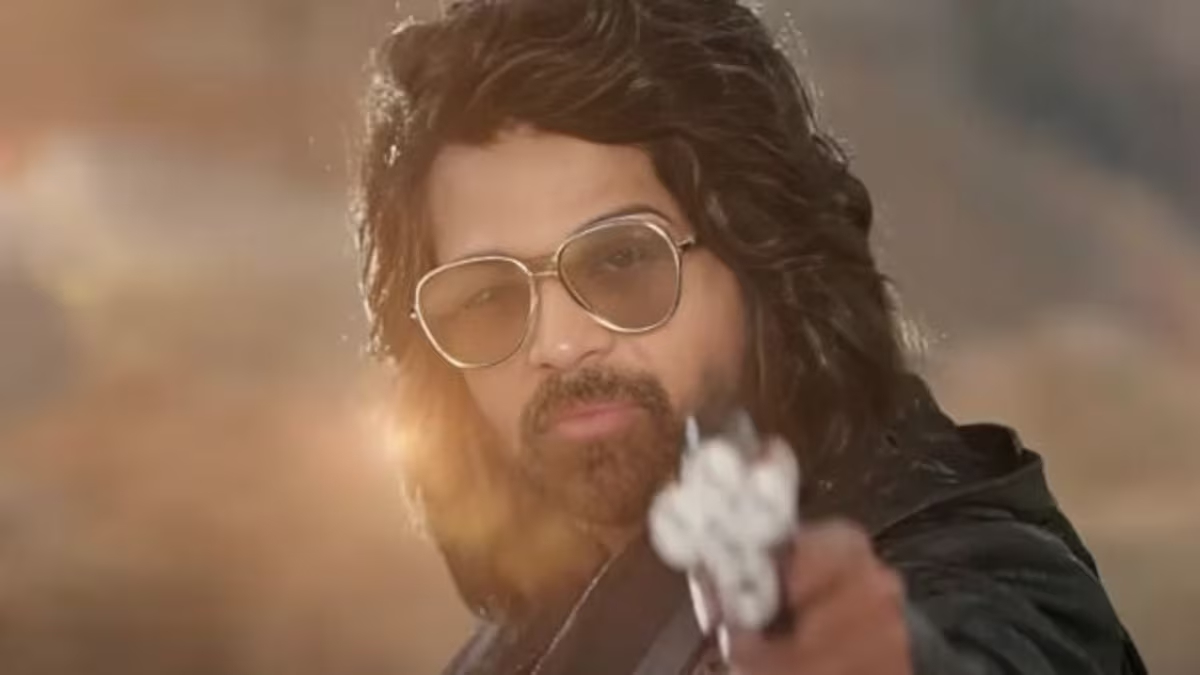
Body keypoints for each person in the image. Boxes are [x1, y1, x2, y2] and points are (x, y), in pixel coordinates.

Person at [354, 1, 1146, 673]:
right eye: (487, 296)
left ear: (760, 263)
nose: (558, 343)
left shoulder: (968, 573)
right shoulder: (521, 641)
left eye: (623, 260)